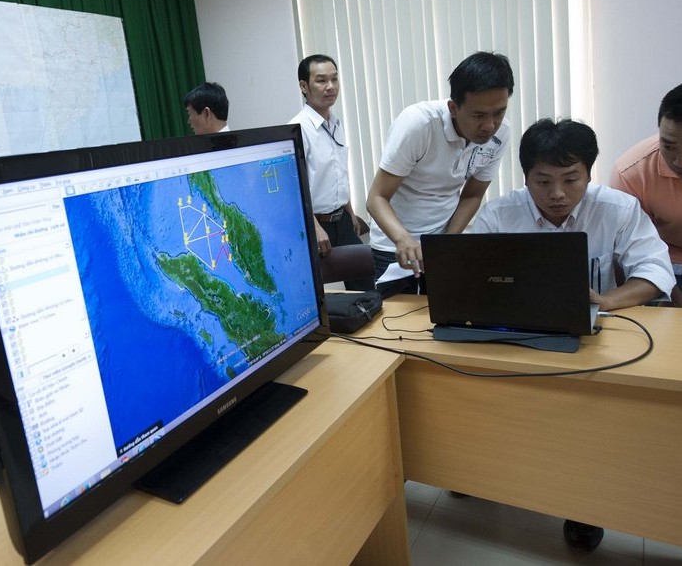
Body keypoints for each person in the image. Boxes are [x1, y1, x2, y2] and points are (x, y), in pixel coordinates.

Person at [472, 118, 675, 551]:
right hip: (518, 337)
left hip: (593, 342)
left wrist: (607, 300)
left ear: (588, 173)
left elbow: (655, 271)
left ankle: (583, 505)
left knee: (587, 422)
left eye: (570, 179)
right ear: (525, 177)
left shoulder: (617, 208)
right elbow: (470, 275)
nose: (557, 194)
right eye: (542, 181)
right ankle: (475, 474)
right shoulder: (499, 214)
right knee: (481, 396)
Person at [366, 51, 514, 298]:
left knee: (444, 313)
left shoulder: (500, 134)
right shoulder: (419, 125)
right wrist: (403, 239)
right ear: (453, 108)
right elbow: (376, 198)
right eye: (478, 115)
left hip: (440, 241)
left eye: (499, 112)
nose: (490, 125)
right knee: (394, 317)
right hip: (394, 245)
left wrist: (447, 243)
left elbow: (472, 195)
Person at [289, 54, 375, 291]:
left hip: (342, 220)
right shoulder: (298, 129)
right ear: (304, 86)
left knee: (367, 286)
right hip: (317, 224)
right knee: (312, 291)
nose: (330, 86)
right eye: (321, 80)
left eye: (334, 79)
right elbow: (295, 187)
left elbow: (338, 173)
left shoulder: (335, 124)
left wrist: (351, 213)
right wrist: (315, 227)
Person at [610, 83, 682, 306]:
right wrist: (670, 292)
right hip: (667, 263)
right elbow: (626, 251)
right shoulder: (632, 173)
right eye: (668, 146)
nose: (678, 162)